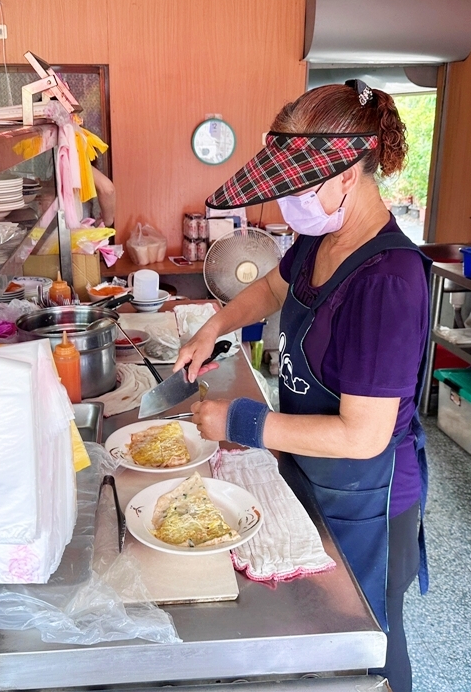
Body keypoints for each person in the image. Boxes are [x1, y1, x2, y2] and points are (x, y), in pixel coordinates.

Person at [173, 81, 430, 692]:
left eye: (298, 186)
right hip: (309, 468)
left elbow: (363, 435)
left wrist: (240, 422)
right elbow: (271, 289)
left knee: (368, 635)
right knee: (315, 628)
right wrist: (213, 327)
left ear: (349, 173)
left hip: (366, 496)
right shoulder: (321, 238)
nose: (288, 201)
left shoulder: (388, 280)